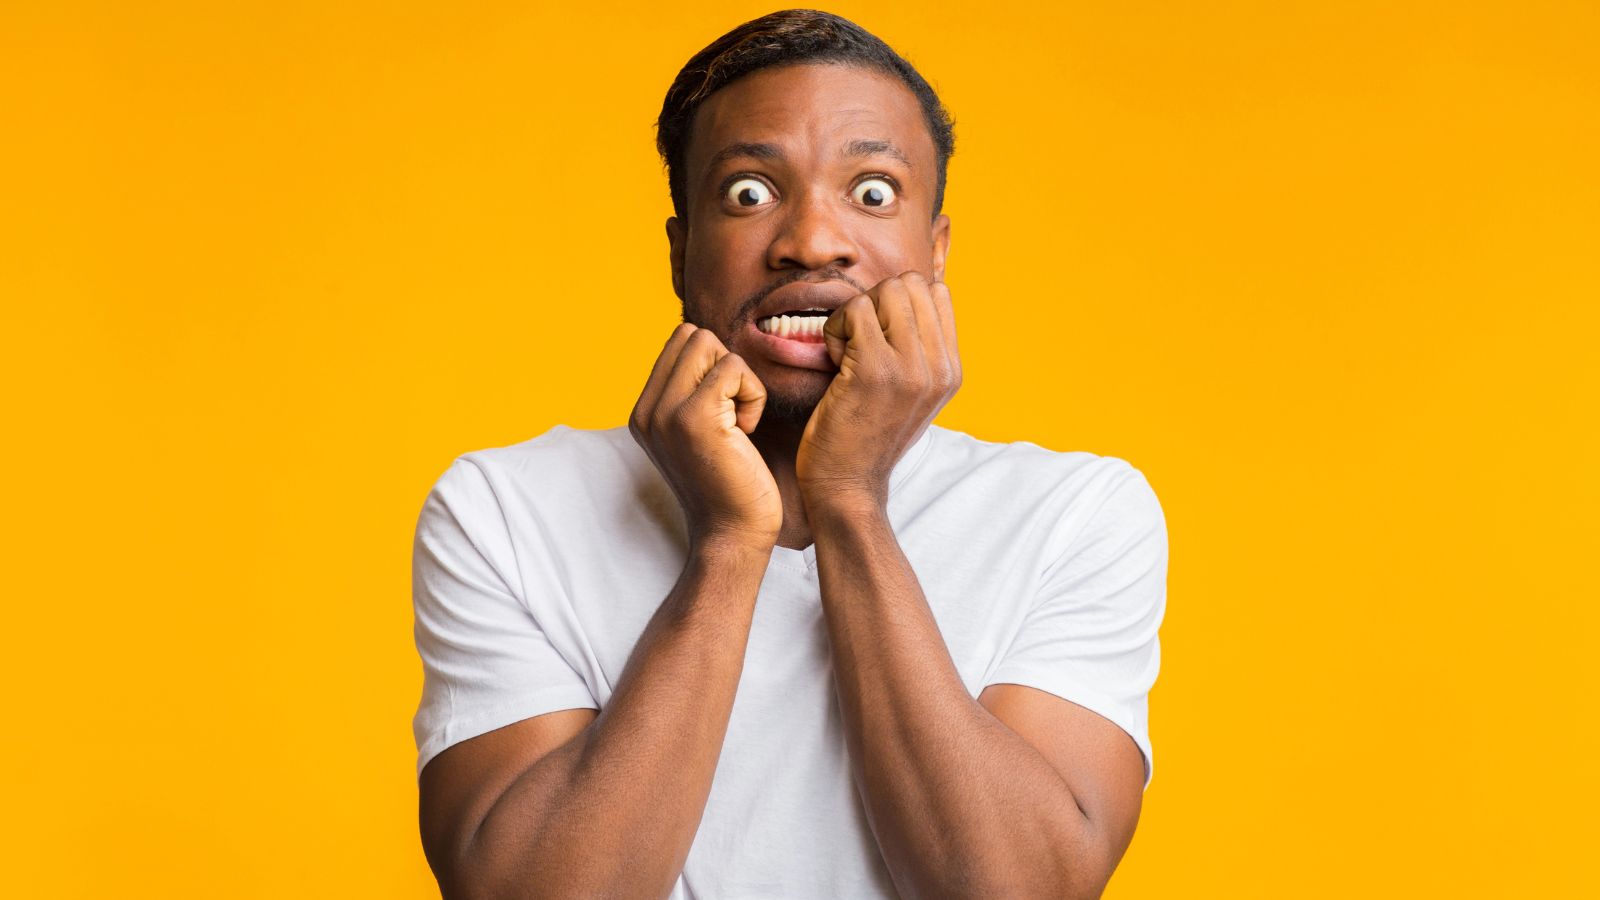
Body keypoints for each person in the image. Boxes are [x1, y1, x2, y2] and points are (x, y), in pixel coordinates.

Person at [411, 9, 1168, 898]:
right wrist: (729, 544)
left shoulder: (1076, 513)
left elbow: (1016, 889)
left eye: (874, 191)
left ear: (936, 251)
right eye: (747, 192)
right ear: (680, 251)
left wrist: (849, 497)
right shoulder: (505, 509)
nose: (811, 241)